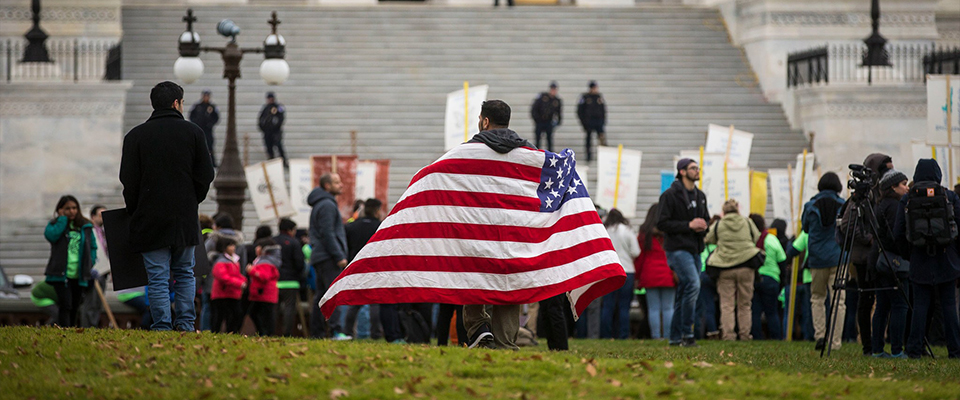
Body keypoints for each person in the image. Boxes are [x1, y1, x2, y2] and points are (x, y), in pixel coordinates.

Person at [120, 81, 215, 331]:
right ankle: (185, 324)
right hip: (183, 217)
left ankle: (161, 325)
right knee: (185, 272)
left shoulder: (135, 136)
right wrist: (193, 198)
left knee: (157, 276)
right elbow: (206, 174)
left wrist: (136, 207)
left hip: (149, 217)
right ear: (176, 103)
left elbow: (128, 181)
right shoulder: (193, 132)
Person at [457, 100, 535, 351]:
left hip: (479, 231)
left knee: (474, 279)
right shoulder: (530, 153)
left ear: (485, 121)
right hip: (514, 233)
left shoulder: (466, 152)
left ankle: (478, 327)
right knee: (509, 286)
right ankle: (505, 342)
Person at [895, 159, 960, 359]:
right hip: (946, 257)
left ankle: (914, 349)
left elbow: (898, 232)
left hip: (919, 257)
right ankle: (955, 350)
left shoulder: (907, 199)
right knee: (949, 305)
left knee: (920, 305)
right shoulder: (949, 196)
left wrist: (910, 253)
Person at [657, 158, 709, 347]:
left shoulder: (701, 195)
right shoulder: (670, 195)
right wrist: (688, 225)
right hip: (677, 249)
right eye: (693, 168)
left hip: (695, 249)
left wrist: (704, 226)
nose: (697, 171)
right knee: (694, 284)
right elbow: (661, 223)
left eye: (698, 168)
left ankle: (675, 337)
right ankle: (688, 333)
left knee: (685, 290)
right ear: (682, 172)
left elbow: (706, 220)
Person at [704, 200, 761, 341]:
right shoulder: (747, 222)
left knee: (727, 304)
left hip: (725, 267)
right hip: (746, 265)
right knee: (745, 304)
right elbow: (757, 237)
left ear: (723, 211)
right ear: (737, 210)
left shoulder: (719, 224)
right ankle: (745, 334)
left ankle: (729, 335)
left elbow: (708, 239)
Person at [802, 172, 846, 351]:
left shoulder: (810, 205)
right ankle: (835, 342)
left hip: (817, 258)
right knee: (838, 300)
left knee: (817, 298)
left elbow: (805, 228)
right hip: (838, 257)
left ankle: (820, 335)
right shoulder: (843, 205)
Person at [870, 169, 910, 358]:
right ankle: (896, 350)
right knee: (899, 306)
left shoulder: (880, 205)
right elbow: (896, 236)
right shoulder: (895, 206)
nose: (906, 187)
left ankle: (877, 349)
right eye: (903, 184)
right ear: (892, 187)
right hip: (893, 261)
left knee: (882, 306)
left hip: (880, 261)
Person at [308, 172, 352, 340]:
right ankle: (336, 331)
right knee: (333, 295)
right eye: (336, 182)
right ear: (327, 186)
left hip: (320, 256)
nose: (341, 185)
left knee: (320, 296)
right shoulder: (327, 205)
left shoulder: (321, 204)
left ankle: (317, 333)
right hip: (328, 257)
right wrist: (339, 255)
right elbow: (328, 233)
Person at [44, 195, 98, 327]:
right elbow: (52, 236)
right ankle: (64, 331)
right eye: (67, 208)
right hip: (61, 274)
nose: (72, 211)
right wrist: (62, 219)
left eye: (74, 208)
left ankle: (71, 331)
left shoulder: (85, 226)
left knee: (75, 305)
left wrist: (90, 262)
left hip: (79, 274)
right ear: (60, 210)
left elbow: (93, 246)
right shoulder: (54, 225)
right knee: (66, 304)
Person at [344, 199, 385, 340]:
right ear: (377, 210)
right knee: (375, 303)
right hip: (375, 267)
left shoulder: (351, 227)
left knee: (354, 302)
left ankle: (348, 332)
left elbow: (346, 247)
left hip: (356, 267)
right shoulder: (381, 227)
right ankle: (376, 334)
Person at [635, 203, 675, 340]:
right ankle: (668, 336)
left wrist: (637, 276)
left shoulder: (644, 233)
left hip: (649, 273)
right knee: (668, 308)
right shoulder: (670, 232)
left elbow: (640, 257)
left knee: (653, 308)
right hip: (668, 273)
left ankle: (656, 336)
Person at [600, 209, 641, 339]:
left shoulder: (603, 230)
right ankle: (623, 334)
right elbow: (636, 252)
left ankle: (606, 334)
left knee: (608, 305)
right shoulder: (628, 231)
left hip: (609, 272)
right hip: (627, 271)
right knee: (624, 306)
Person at [750, 213, 786, 340]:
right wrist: (782, 281)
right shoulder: (771, 239)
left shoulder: (750, 240)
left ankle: (756, 337)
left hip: (754, 278)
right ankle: (776, 338)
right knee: (771, 312)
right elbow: (782, 260)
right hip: (771, 278)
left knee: (755, 311)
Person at [79, 204, 111, 328]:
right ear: (93, 217)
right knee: (90, 303)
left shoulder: (103, 233)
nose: (104, 218)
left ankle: (93, 325)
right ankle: (87, 327)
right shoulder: (89, 231)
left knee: (97, 303)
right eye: (101, 215)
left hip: (103, 272)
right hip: (93, 272)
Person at [274, 218, 306, 337]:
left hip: (274, 281)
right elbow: (299, 263)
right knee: (289, 308)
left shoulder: (272, 241)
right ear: (290, 230)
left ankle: (272, 331)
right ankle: (286, 333)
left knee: (274, 309)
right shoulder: (294, 242)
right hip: (291, 282)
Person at [247, 238, 281, 336]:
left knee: (263, 314)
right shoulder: (264, 260)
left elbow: (264, 276)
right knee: (259, 313)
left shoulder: (265, 262)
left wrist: (252, 271)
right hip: (261, 293)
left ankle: (265, 333)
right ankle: (263, 333)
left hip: (264, 293)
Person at [211, 237, 245, 334]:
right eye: (230, 245)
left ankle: (231, 332)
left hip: (232, 293)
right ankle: (216, 332)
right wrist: (239, 283)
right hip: (222, 293)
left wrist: (243, 280)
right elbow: (223, 277)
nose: (233, 247)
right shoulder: (221, 261)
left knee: (234, 315)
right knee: (220, 316)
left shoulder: (234, 260)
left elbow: (236, 274)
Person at [577, 81, 606, 162]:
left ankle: (604, 156)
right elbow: (580, 111)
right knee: (588, 139)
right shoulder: (585, 97)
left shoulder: (599, 97)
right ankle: (588, 156)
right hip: (589, 122)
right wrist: (584, 122)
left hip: (598, 121)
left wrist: (602, 121)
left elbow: (603, 110)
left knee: (602, 139)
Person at [188, 89, 220, 166]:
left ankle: (211, 163)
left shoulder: (212, 107)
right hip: (199, 129)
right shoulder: (197, 106)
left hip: (208, 130)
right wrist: (196, 123)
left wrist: (210, 124)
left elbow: (216, 117)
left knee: (209, 146)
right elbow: (191, 116)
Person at [530, 81, 562, 152]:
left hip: (549, 121)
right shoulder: (542, 97)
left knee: (549, 140)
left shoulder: (556, 100)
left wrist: (557, 122)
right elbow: (534, 108)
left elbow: (559, 113)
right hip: (540, 121)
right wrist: (536, 119)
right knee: (538, 139)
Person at [258, 92, 287, 167]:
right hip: (267, 132)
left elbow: (281, 117)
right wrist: (262, 128)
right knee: (269, 147)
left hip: (276, 132)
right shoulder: (265, 108)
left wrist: (276, 126)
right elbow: (261, 118)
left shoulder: (278, 107)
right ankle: (271, 162)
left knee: (278, 146)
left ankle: (283, 161)